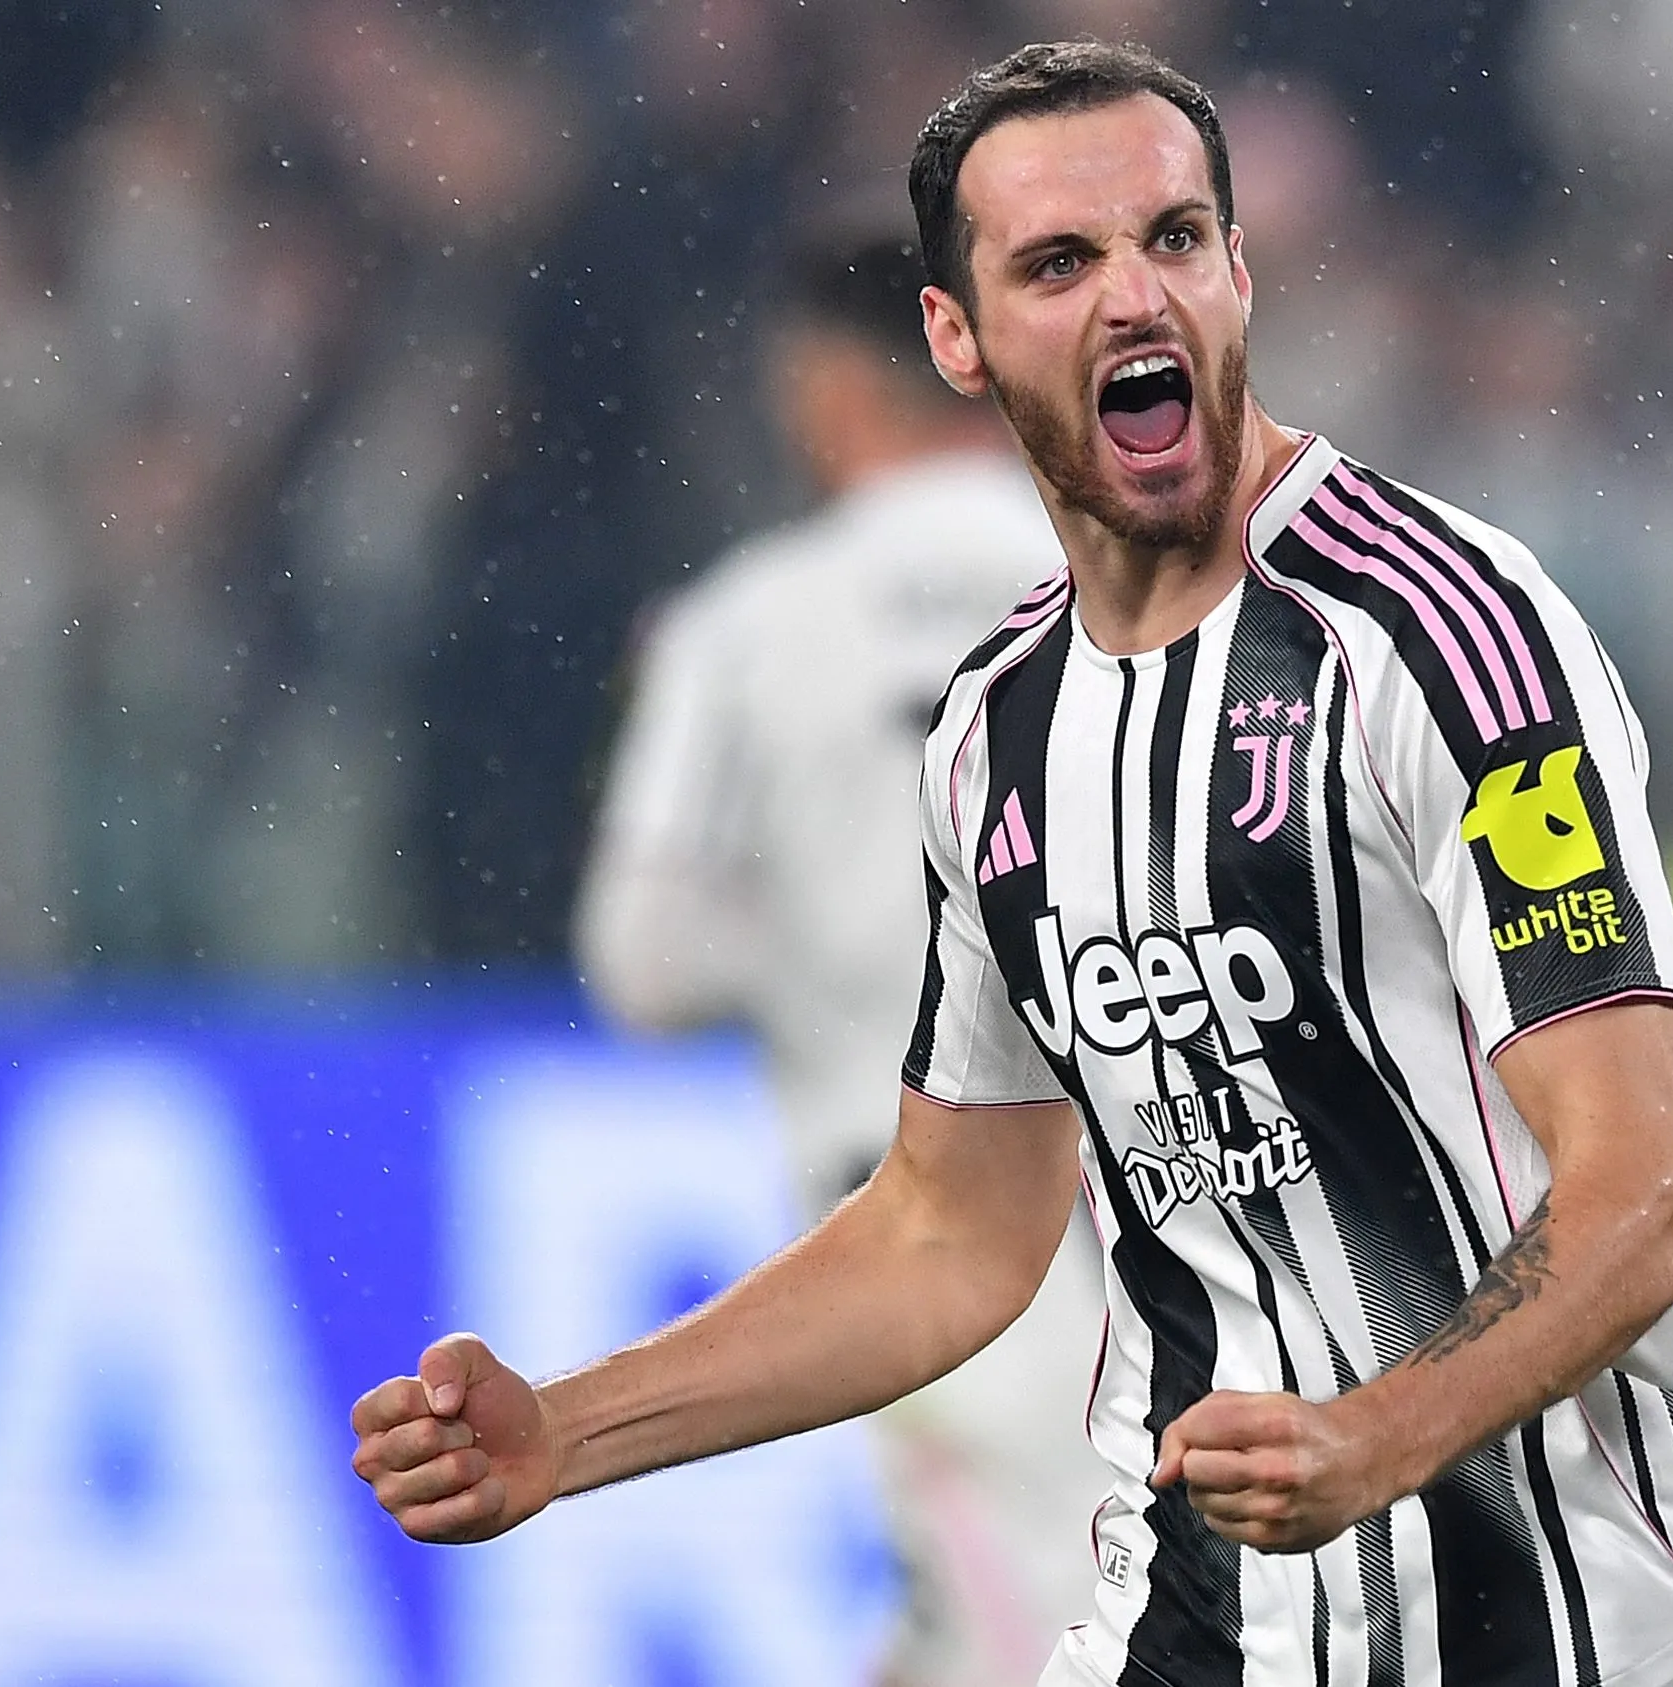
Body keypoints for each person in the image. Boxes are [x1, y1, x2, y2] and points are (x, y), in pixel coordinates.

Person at [352, 40, 1673, 1687]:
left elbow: (1648, 1188)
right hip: (1197, 1627)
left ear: (1241, 271)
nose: (1134, 296)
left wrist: (1380, 1434)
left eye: (1174, 238)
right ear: (953, 338)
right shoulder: (995, 735)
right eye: (1058, 263)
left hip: (1575, 1637)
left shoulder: (1446, 638)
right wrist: (565, 1428)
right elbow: (946, 1233)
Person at [572, 223, 1108, 1686]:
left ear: (823, 388)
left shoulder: (739, 628)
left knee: (1030, 1614)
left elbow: (642, 962)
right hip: (1160, 1173)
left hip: (906, 1212)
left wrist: (822, 921)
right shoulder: (1134, 574)